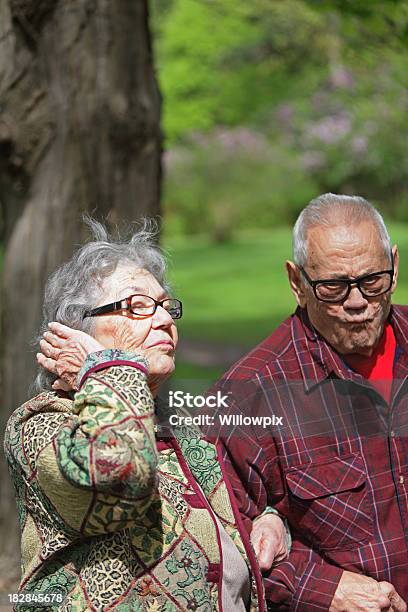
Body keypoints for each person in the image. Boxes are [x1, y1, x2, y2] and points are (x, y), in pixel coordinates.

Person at [4, 219, 288, 611]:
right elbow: (122, 475)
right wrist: (106, 367)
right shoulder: (40, 424)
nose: (165, 320)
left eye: (165, 306)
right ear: (76, 330)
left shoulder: (181, 421)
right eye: (137, 306)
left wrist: (271, 524)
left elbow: (246, 497)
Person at [215, 194, 408, 611]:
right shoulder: (250, 394)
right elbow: (223, 533)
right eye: (333, 287)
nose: (357, 303)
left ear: (394, 267)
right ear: (297, 283)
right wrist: (322, 589)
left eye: (372, 280)